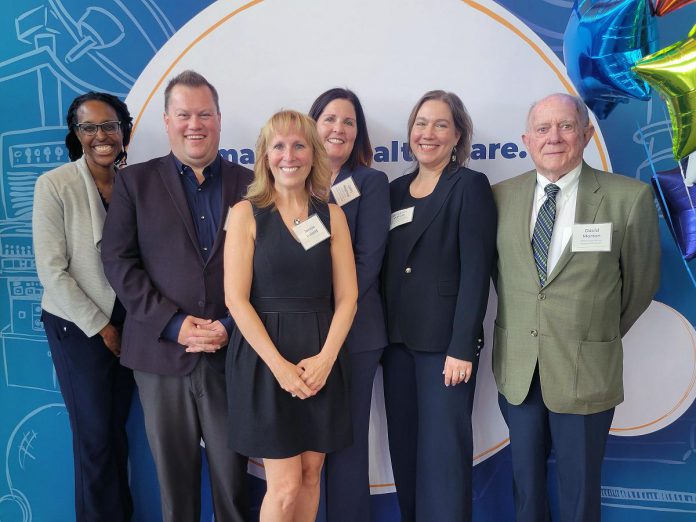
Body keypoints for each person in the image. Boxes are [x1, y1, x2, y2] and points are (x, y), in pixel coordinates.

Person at [492, 93, 660, 522]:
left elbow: (639, 286)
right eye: (543, 129)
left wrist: (589, 331)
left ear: (585, 134)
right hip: (519, 372)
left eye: (566, 126)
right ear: (526, 140)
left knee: (579, 492)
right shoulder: (499, 198)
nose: (554, 138)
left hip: (586, 370)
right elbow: (499, 276)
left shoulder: (629, 198)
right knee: (526, 489)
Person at [101, 70, 252, 522]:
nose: (195, 124)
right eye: (184, 114)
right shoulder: (134, 184)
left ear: (220, 120)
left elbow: (267, 269)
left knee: (233, 488)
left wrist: (227, 325)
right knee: (175, 491)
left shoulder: (252, 184)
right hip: (160, 356)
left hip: (231, 357)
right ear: (167, 121)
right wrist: (174, 323)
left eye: (204, 114)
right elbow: (119, 263)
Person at [224, 110, 358, 522]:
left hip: (321, 356)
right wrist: (280, 368)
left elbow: (349, 297)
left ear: (313, 153)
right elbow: (235, 299)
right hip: (266, 359)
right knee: (282, 486)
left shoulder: (332, 214)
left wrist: (325, 360)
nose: (289, 155)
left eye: (299, 145)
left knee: (311, 474)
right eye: (278, 145)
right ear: (265, 156)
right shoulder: (245, 213)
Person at [381, 90, 497, 521]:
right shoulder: (392, 192)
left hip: (446, 350)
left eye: (440, 125)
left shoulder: (469, 186)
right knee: (405, 452)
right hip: (396, 347)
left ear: (458, 135)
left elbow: (476, 271)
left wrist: (463, 345)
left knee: (444, 460)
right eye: (421, 123)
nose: (427, 133)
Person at [33, 92, 134, 522]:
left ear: (123, 129)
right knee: (94, 440)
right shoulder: (54, 184)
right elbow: (52, 272)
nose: (101, 136)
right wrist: (103, 328)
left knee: (116, 434)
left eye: (109, 125)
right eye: (89, 127)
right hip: (77, 326)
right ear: (76, 135)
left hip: (128, 323)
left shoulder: (132, 181)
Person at [308, 87, 390, 522]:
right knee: (308, 447)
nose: (338, 128)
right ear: (313, 124)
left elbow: (367, 260)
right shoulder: (292, 181)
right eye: (330, 119)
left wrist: (328, 319)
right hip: (301, 337)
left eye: (349, 121)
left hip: (355, 336)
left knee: (349, 443)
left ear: (357, 134)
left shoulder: (370, 183)